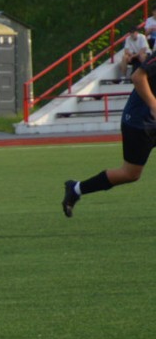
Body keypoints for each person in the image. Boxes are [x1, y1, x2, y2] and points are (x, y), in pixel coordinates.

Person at [63, 52, 156, 217]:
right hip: (140, 121)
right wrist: (153, 105)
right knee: (130, 174)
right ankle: (76, 189)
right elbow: (137, 77)